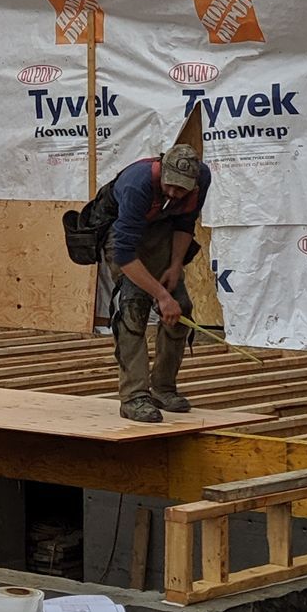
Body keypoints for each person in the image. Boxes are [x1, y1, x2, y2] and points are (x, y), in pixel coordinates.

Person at [104, 139, 211, 422]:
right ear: (161, 170)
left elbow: (184, 224)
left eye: (181, 188)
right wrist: (161, 296)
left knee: (181, 308)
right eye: (169, 185)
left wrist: (175, 266)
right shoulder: (137, 184)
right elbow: (125, 254)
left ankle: (163, 388)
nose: (174, 193)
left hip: (160, 229)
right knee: (132, 309)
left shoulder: (202, 178)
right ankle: (134, 396)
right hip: (123, 233)